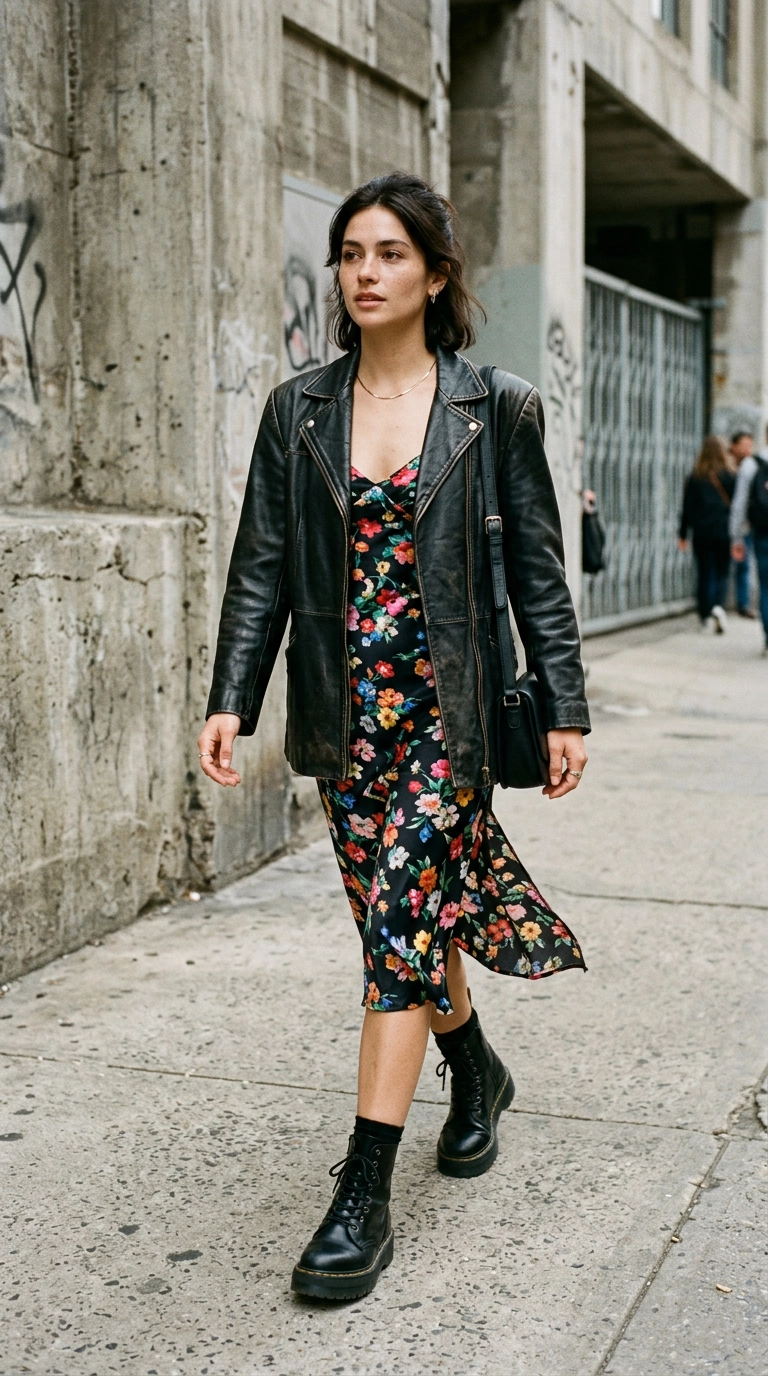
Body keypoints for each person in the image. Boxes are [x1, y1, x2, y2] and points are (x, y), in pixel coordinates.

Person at [197, 173, 590, 1300]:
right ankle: (478, 1072)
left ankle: (361, 1191)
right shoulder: (298, 409)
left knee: (399, 931)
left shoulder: (494, 406)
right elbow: (260, 566)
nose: (364, 272)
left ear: (435, 272)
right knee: (405, 929)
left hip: (450, 720)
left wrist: (563, 703)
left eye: (389, 253)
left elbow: (538, 577)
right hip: (346, 723)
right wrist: (235, 694)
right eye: (350, 253)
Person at [679, 436, 735, 632]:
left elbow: (687, 508)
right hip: (723, 531)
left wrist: (683, 534)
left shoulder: (696, 477)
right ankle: (718, 606)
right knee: (722, 572)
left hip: (702, 532)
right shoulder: (729, 475)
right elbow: (736, 507)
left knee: (705, 572)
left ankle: (704, 615)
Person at [730, 425, 768, 653]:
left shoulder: (751, 465)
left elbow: (739, 504)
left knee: (766, 587)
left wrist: (736, 537)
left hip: (763, 534)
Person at [727, 430, 757, 617]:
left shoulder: (750, 465)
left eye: (750, 444)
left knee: (744, 565)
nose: (747, 449)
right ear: (734, 446)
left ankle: (743, 603)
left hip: (745, 524)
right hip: (732, 523)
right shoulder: (732, 466)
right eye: (744, 444)